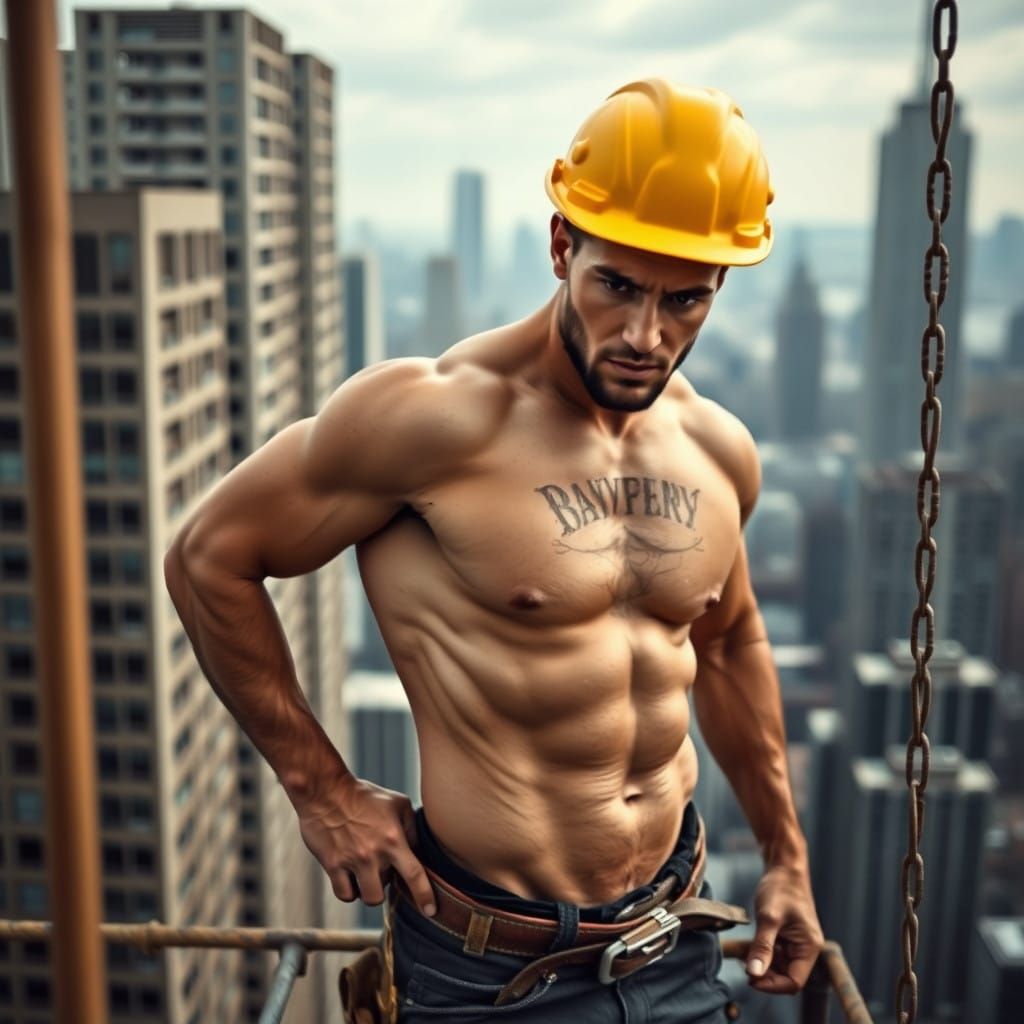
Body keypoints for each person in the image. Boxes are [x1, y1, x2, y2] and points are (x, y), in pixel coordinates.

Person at [165, 78, 824, 1023]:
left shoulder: (720, 450)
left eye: (685, 300)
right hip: (490, 972)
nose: (646, 335)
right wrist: (323, 793)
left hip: (676, 937)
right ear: (563, 246)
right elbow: (206, 557)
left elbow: (727, 646)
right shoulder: (430, 421)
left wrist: (788, 861)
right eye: (617, 286)